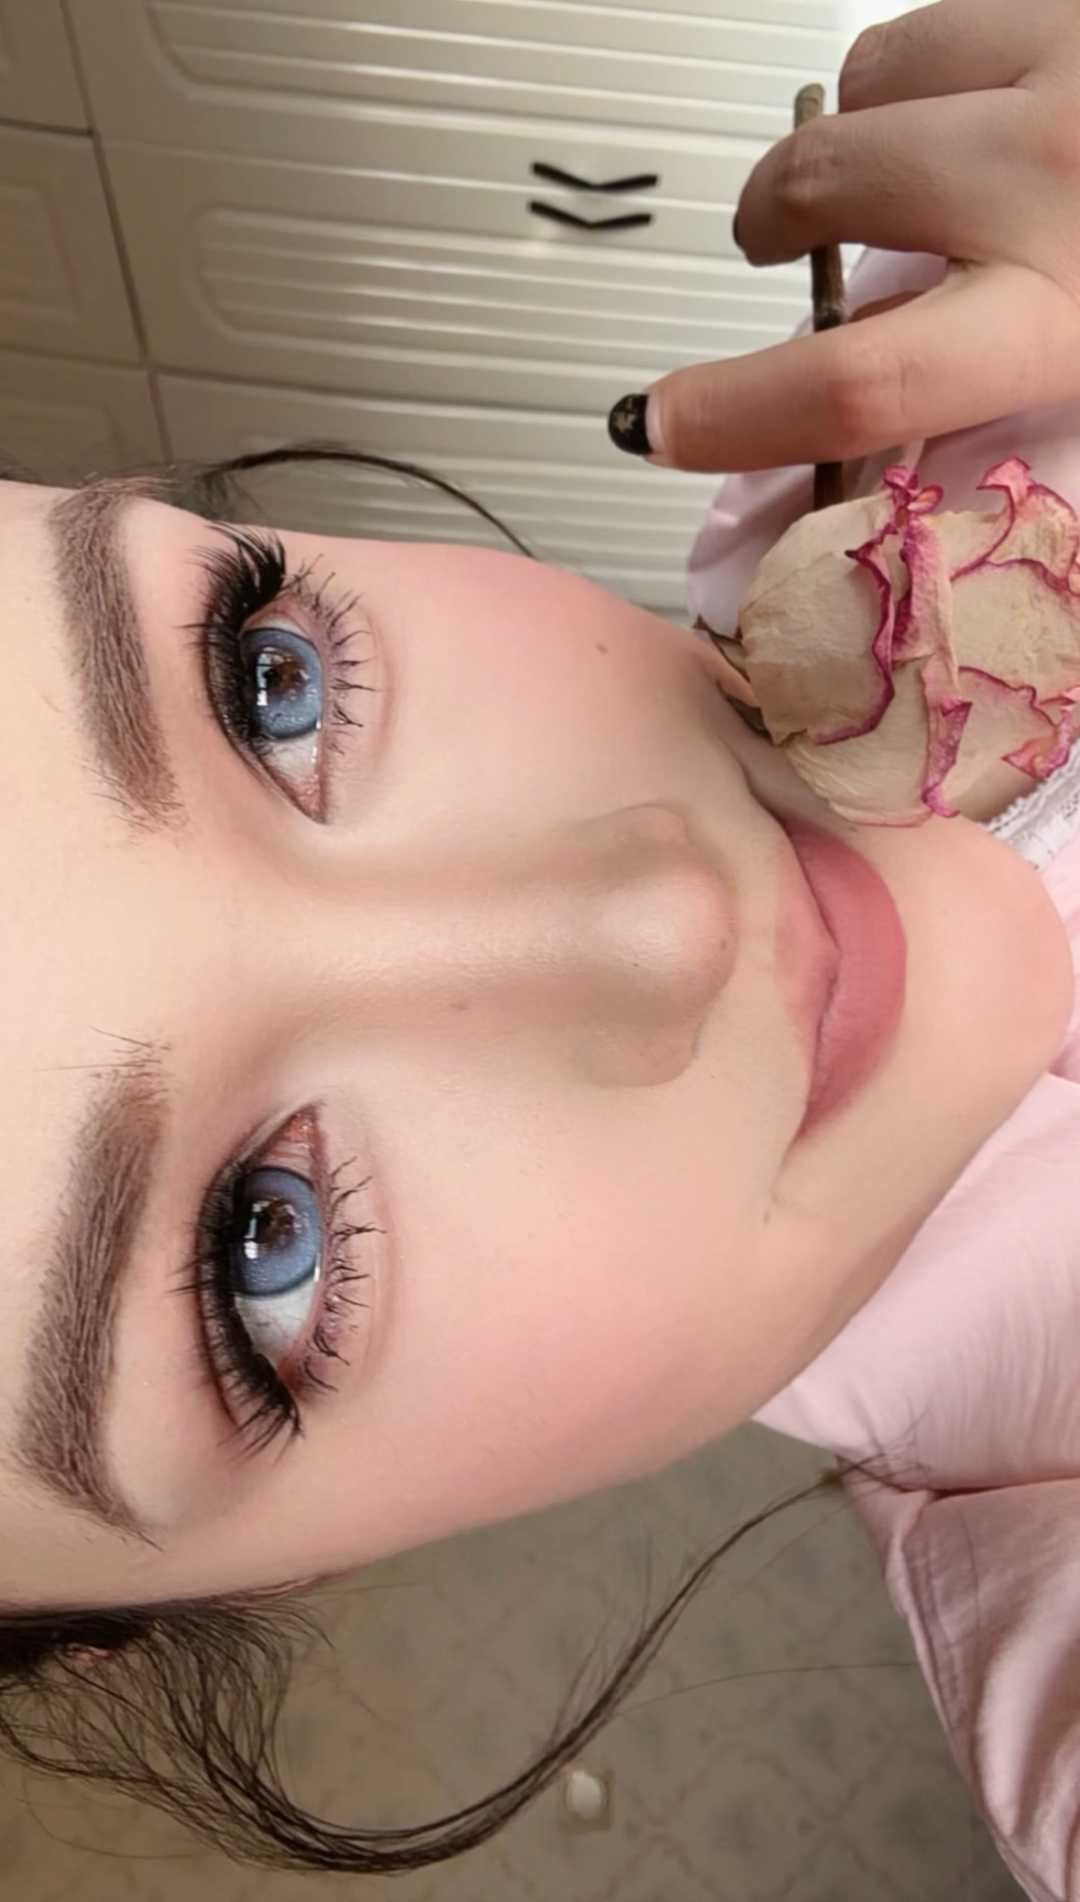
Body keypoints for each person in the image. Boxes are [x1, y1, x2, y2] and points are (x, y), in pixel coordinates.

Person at [0, 0, 1077, 1892]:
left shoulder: (911, 401)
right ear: (276, 1581)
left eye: (265, 683)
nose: (666, 914)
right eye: (265, 1246)